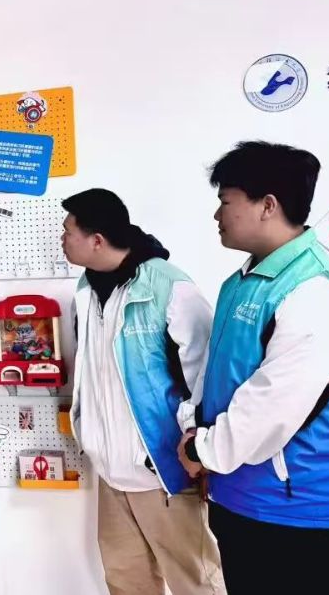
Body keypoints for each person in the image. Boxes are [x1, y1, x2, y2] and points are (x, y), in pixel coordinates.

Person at [178, 142, 329, 595]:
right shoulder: (240, 283)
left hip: (296, 511)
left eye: (226, 201)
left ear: (268, 205)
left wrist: (202, 451)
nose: (217, 215)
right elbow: (215, 375)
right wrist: (195, 434)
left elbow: (272, 407)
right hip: (240, 497)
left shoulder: (316, 292)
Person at [62, 189, 224, 595]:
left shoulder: (168, 286)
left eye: (68, 232)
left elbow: (208, 375)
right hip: (111, 473)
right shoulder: (85, 290)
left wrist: (200, 450)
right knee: (125, 583)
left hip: (164, 470)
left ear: (97, 239)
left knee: (195, 583)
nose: (62, 240)